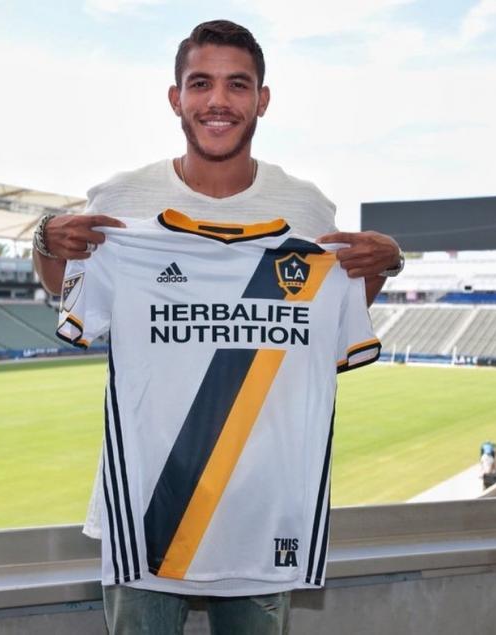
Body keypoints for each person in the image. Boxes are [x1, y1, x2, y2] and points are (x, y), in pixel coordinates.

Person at [33, 20, 402, 635]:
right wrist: (45, 236)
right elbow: (64, 290)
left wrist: (387, 263)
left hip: (263, 509)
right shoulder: (121, 200)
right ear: (176, 98)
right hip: (148, 506)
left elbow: (332, 319)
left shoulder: (307, 209)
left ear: (262, 99)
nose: (218, 101)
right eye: (201, 83)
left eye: (238, 84)